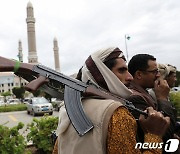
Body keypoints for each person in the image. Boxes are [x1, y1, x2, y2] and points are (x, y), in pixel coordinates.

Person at [53, 47, 170, 154]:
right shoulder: (116, 113)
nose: (130, 77)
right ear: (102, 74)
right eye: (121, 70)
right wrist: (154, 136)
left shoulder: (68, 109)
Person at [127, 54, 177, 153]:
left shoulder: (143, 93)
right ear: (139, 75)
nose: (158, 75)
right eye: (154, 72)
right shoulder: (135, 98)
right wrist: (163, 98)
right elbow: (165, 135)